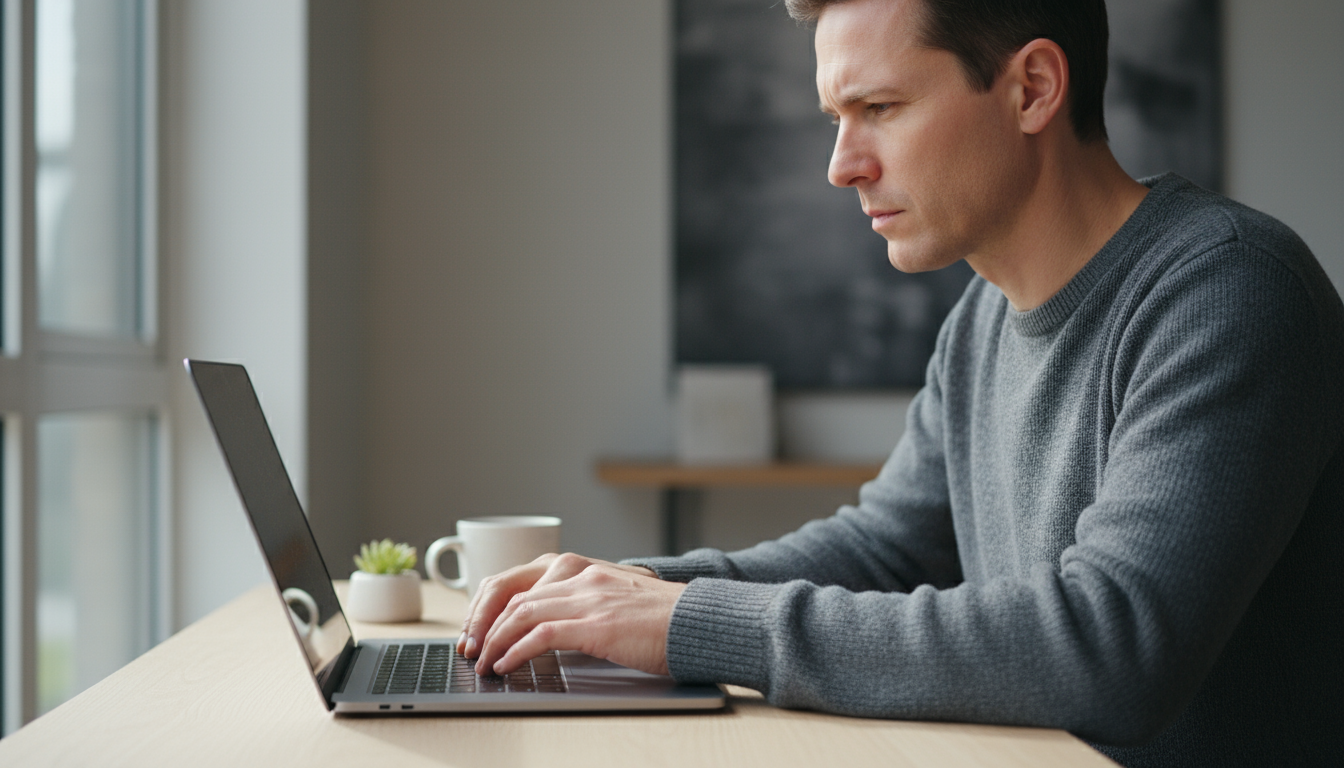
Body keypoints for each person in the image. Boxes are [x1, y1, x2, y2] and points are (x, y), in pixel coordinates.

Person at [456, 0, 1344, 764]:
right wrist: (620, 594)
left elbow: (1112, 648)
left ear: (1033, 87)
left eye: (879, 106)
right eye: (836, 117)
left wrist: (686, 623)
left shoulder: (1230, 291)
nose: (842, 164)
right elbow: (885, 551)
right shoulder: (983, 321)